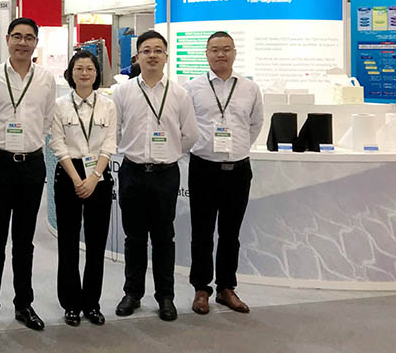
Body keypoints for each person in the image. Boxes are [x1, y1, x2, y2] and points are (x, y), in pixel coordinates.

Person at [0, 17, 56, 334]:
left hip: (32, 165)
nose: (23, 43)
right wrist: (2, 146)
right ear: (7, 39)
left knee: (24, 241)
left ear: (36, 42)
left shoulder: (46, 79)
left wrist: (27, 142)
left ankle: (24, 304)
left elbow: (46, 120)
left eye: (29, 37)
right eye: (17, 36)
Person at [112, 30, 198, 321]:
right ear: (137, 56)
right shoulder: (123, 92)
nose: (152, 55)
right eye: (146, 50)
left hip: (165, 174)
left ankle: (165, 296)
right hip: (132, 172)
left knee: (164, 238)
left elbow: (190, 135)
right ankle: (132, 293)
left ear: (166, 56)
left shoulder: (179, 94)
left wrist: (168, 153)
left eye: (158, 50)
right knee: (134, 237)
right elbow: (115, 130)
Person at [183, 31, 263, 315]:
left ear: (234, 52)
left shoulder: (250, 88)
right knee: (202, 232)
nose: (221, 54)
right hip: (203, 168)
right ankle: (201, 289)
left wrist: (237, 148)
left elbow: (255, 124)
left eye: (226, 49)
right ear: (206, 54)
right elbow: (186, 125)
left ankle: (226, 287)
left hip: (238, 170)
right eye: (215, 49)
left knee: (231, 232)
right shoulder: (192, 87)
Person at [48, 50, 117, 327]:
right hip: (69, 175)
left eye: (90, 68)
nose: (84, 73)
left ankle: (91, 303)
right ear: (71, 73)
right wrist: (78, 180)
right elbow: (57, 143)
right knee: (67, 243)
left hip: (98, 175)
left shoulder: (108, 105)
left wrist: (94, 177)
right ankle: (71, 304)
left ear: (97, 73)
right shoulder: (60, 105)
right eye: (79, 68)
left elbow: (110, 143)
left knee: (97, 244)